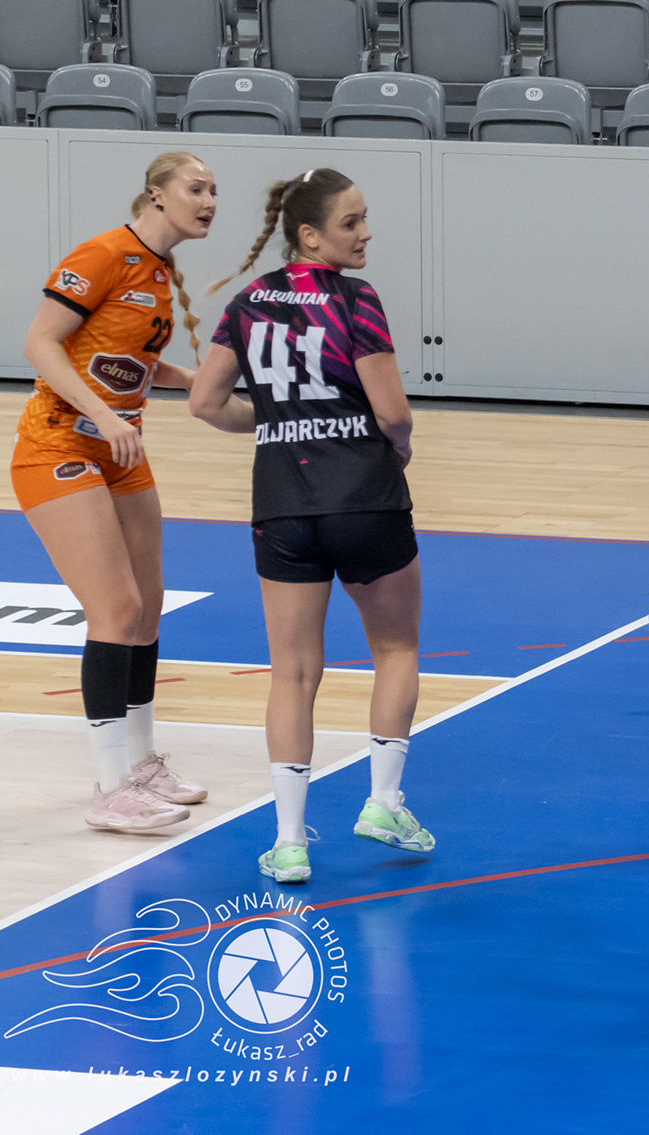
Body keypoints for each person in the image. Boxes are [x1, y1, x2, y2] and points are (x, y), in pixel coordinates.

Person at [189, 169, 432, 885]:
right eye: (351, 222)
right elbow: (392, 412)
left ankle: (290, 841)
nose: (365, 233)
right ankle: (384, 802)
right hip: (365, 499)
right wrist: (398, 444)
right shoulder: (356, 300)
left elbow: (206, 402)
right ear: (310, 234)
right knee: (395, 648)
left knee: (292, 673)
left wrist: (278, 418)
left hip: (283, 506)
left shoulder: (247, 302)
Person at [14, 152, 216, 833]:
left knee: (147, 608)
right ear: (156, 195)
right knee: (116, 608)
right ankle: (109, 791)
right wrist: (102, 415)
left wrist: (187, 379)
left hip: (120, 453)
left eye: (214, 190)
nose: (209, 201)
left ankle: (140, 764)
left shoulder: (158, 270)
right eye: (196, 188)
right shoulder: (103, 254)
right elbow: (41, 344)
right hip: (59, 447)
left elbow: (121, 358)